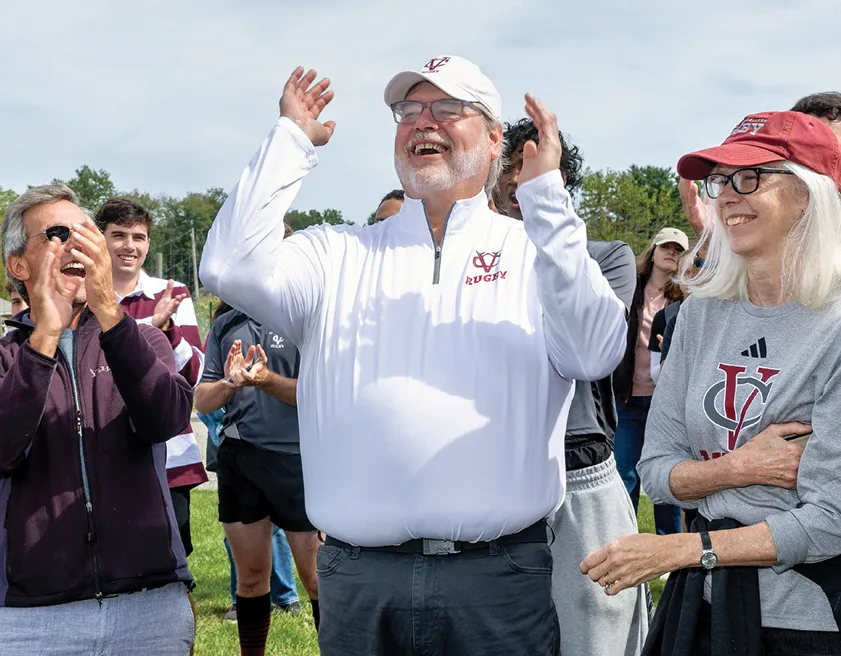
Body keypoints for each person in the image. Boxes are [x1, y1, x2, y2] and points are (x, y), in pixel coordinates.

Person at [200, 57, 627, 656]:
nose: (423, 122)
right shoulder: (337, 253)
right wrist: (290, 139)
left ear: (497, 137)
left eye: (448, 109)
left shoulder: (538, 250)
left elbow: (594, 352)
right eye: (408, 110)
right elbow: (227, 265)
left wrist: (547, 202)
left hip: (499, 578)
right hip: (359, 578)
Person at [582, 111, 841, 655]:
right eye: (719, 180)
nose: (725, 196)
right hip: (700, 609)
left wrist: (678, 548)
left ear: (809, 195)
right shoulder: (701, 316)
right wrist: (739, 469)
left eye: (750, 177)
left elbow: (829, 523)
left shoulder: (834, 327)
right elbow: (654, 471)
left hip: (808, 619)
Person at [0, 185, 195, 655]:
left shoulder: (143, 342)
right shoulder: (6, 359)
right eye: (57, 234)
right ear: (18, 265)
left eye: (85, 233)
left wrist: (110, 311)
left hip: (148, 604)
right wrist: (45, 335)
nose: (76, 245)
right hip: (33, 614)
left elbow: (165, 417)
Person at [496, 117, 649, 656]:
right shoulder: (463, 265)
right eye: (511, 171)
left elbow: (585, 352)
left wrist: (548, 220)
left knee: (596, 635)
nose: (520, 184)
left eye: (536, 171)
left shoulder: (608, 257)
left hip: (581, 468)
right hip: (495, 469)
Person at [195, 272, 319, 655]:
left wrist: (265, 380)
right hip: (241, 462)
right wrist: (230, 384)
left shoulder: (305, 320)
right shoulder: (225, 324)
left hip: (298, 462)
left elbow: (317, 395)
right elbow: (203, 401)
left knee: (316, 579)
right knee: (250, 579)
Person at [95, 197, 208, 557]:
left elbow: (194, 373)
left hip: (169, 452)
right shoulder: (87, 296)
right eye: (119, 235)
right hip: (104, 446)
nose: (130, 246)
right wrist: (148, 327)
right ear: (101, 239)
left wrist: (169, 330)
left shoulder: (172, 294)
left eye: (139, 237)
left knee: (176, 561)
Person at [613, 227, 687, 536]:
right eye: (666, 247)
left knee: (664, 479)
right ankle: (626, 540)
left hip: (665, 405)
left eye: (678, 249)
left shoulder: (685, 299)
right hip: (628, 399)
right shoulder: (628, 289)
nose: (671, 252)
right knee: (625, 475)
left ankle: (667, 547)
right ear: (653, 252)